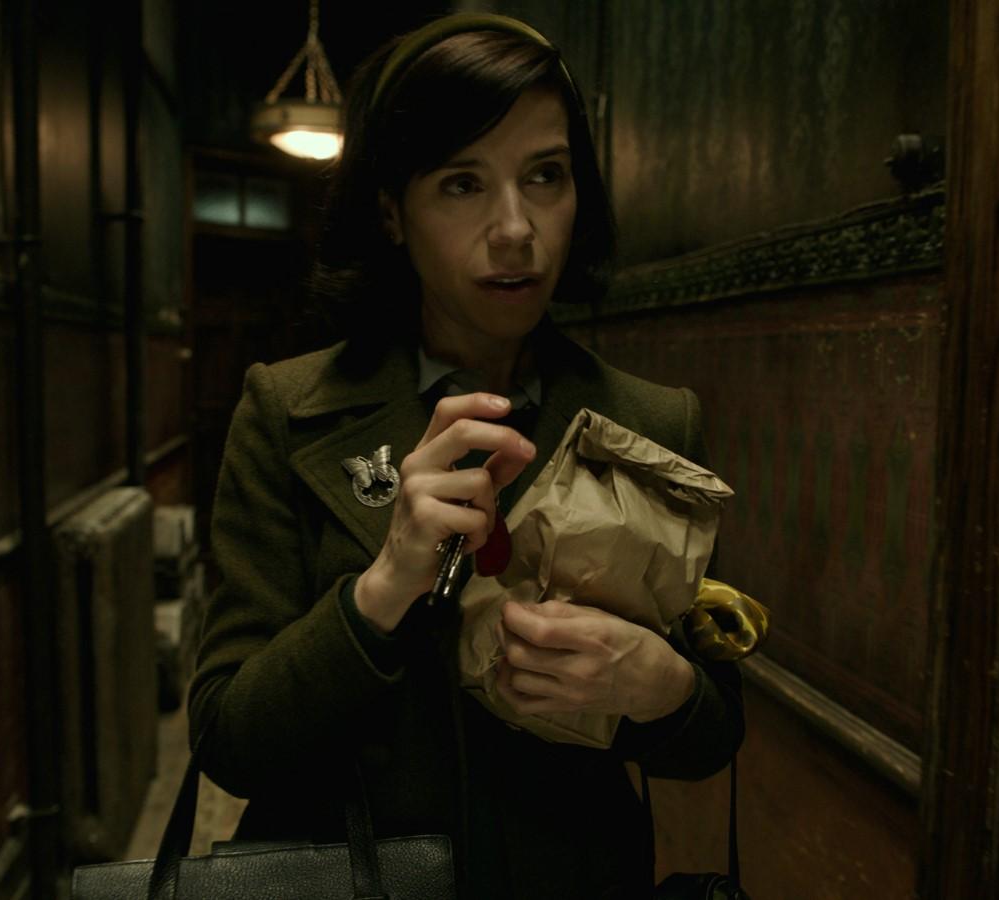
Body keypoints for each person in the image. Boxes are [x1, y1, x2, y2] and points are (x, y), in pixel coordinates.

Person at [187, 13, 745, 898]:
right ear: (391, 212)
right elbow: (229, 742)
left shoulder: (652, 420)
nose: (516, 227)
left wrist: (660, 685)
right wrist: (382, 588)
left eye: (546, 176)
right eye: (462, 184)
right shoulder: (287, 411)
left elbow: (714, 735)